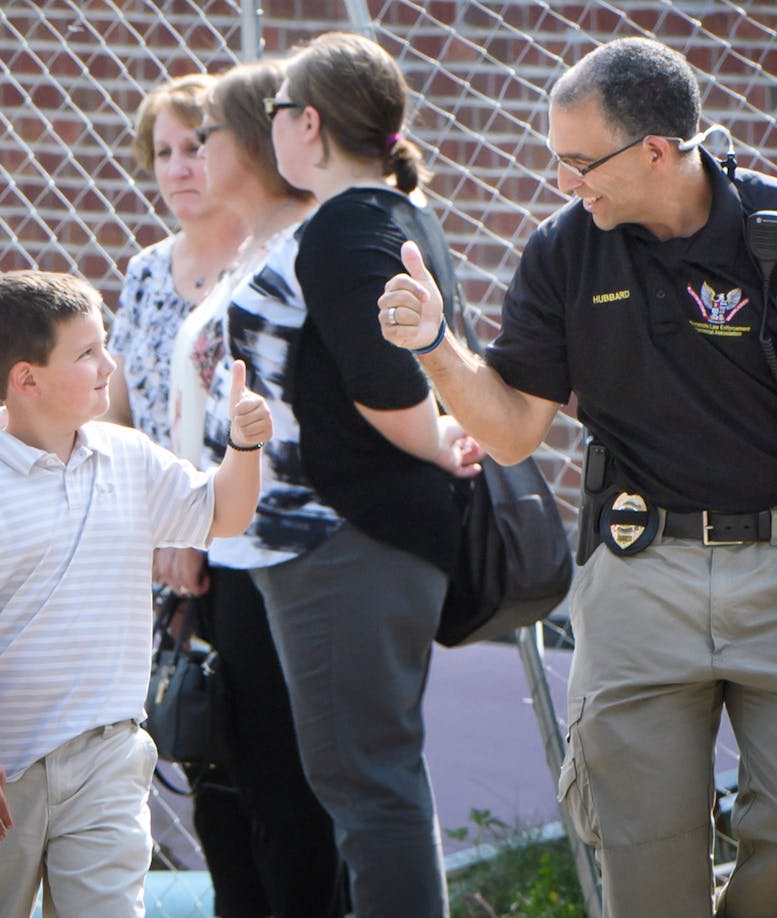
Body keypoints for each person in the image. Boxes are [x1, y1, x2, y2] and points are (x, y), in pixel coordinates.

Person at [380, 36, 777, 918]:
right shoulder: (565, 252)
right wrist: (434, 346)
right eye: (555, 161)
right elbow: (510, 430)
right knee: (647, 863)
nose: (565, 183)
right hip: (640, 572)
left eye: (580, 162)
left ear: (656, 150)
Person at [0, 270, 271, 917]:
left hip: (107, 754)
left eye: (105, 346)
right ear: (26, 379)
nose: (108, 365)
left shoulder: (130, 459)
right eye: (87, 352)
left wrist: (244, 445)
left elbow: (225, 514)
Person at [264, 31, 482, 918]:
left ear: (307, 123)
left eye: (277, 111)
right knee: (378, 777)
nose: (271, 126)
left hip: (351, 540)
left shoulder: (346, 221)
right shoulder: (395, 210)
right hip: (376, 539)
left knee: (367, 784)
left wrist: (434, 439)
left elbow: (387, 375)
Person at [168, 59, 344, 916]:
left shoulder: (302, 251)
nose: (194, 155)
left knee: (283, 788)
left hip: (278, 547)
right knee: (229, 787)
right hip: (223, 549)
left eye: (208, 136)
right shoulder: (249, 255)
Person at [105, 73, 265, 910]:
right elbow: (120, 414)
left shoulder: (263, 264)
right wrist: (155, 536)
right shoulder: (142, 273)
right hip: (165, 549)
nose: (178, 166)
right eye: (162, 151)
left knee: (266, 752)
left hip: (244, 537)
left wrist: (202, 529)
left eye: (195, 146)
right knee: (202, 748)